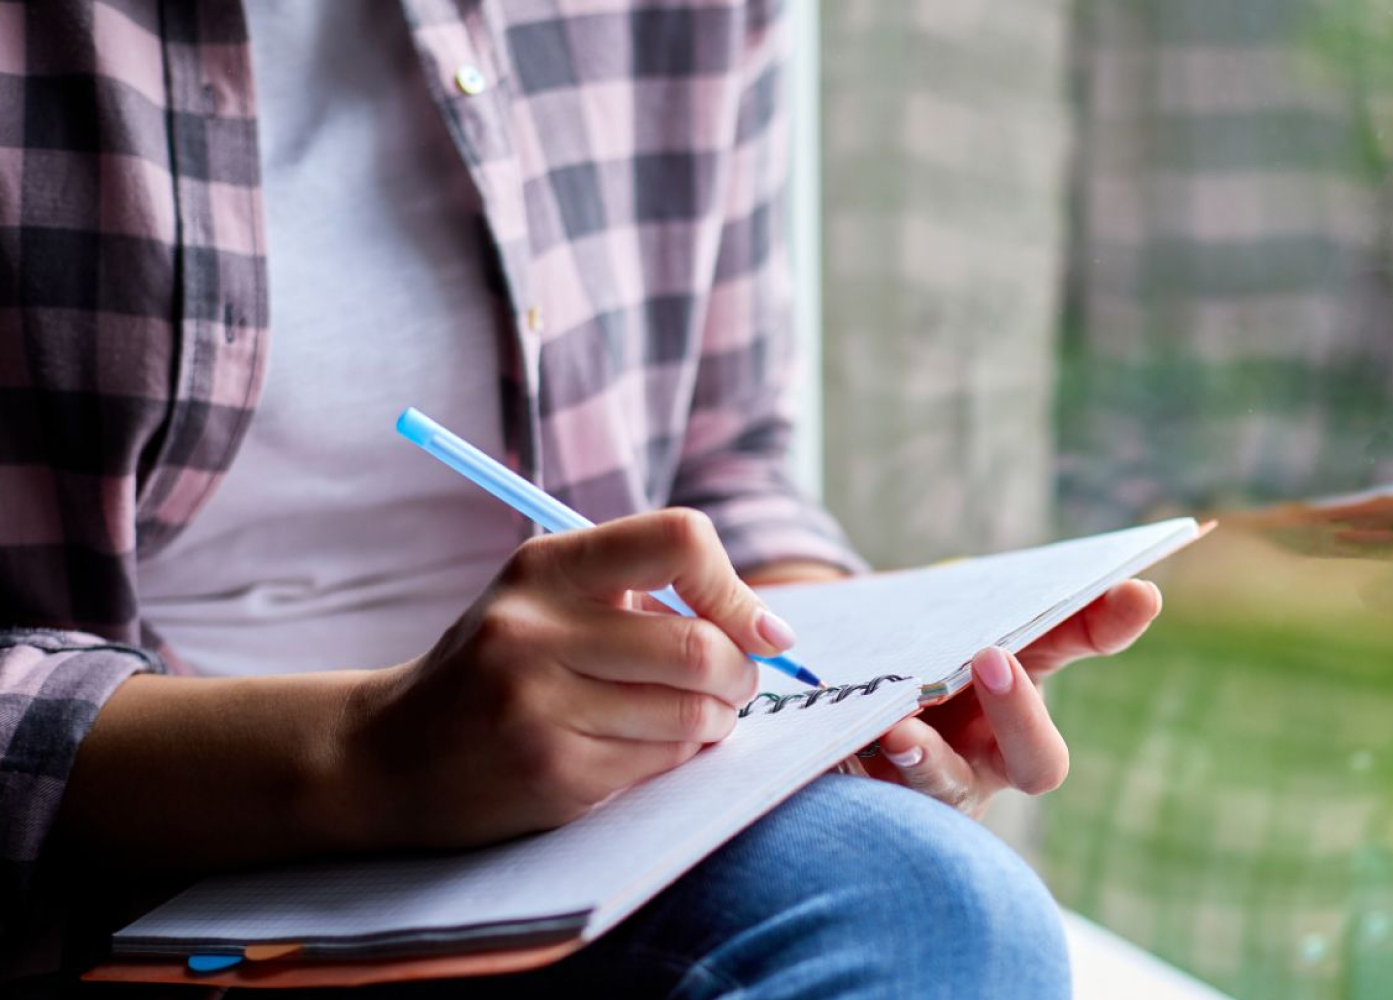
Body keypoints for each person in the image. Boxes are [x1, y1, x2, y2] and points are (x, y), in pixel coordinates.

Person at [0, 2, 1162, 996]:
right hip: (127, 871)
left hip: (599, 824)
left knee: (924, 900)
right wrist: (368, 751)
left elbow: (726, 454)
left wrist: (855, 695)